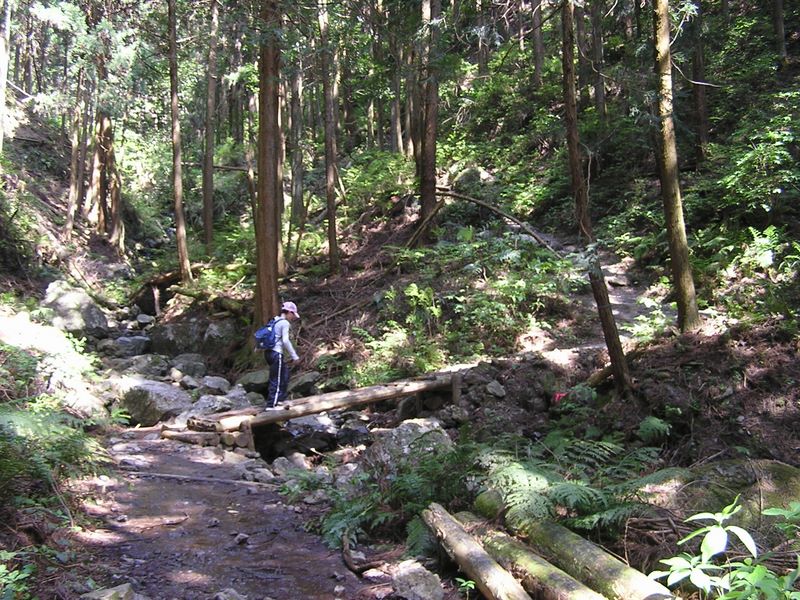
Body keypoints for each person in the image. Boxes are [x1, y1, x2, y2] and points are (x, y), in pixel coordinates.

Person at [265, 301, 301, 408]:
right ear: (289, 312)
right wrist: (294, 356)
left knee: (284, 375)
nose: (293, 317)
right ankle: (272, 405)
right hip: (276, 353)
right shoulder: (284, 323)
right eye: (293, 314)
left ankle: (280, 400)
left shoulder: (275, 320)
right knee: (277, 379)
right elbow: (285, 341)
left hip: (269, 353)